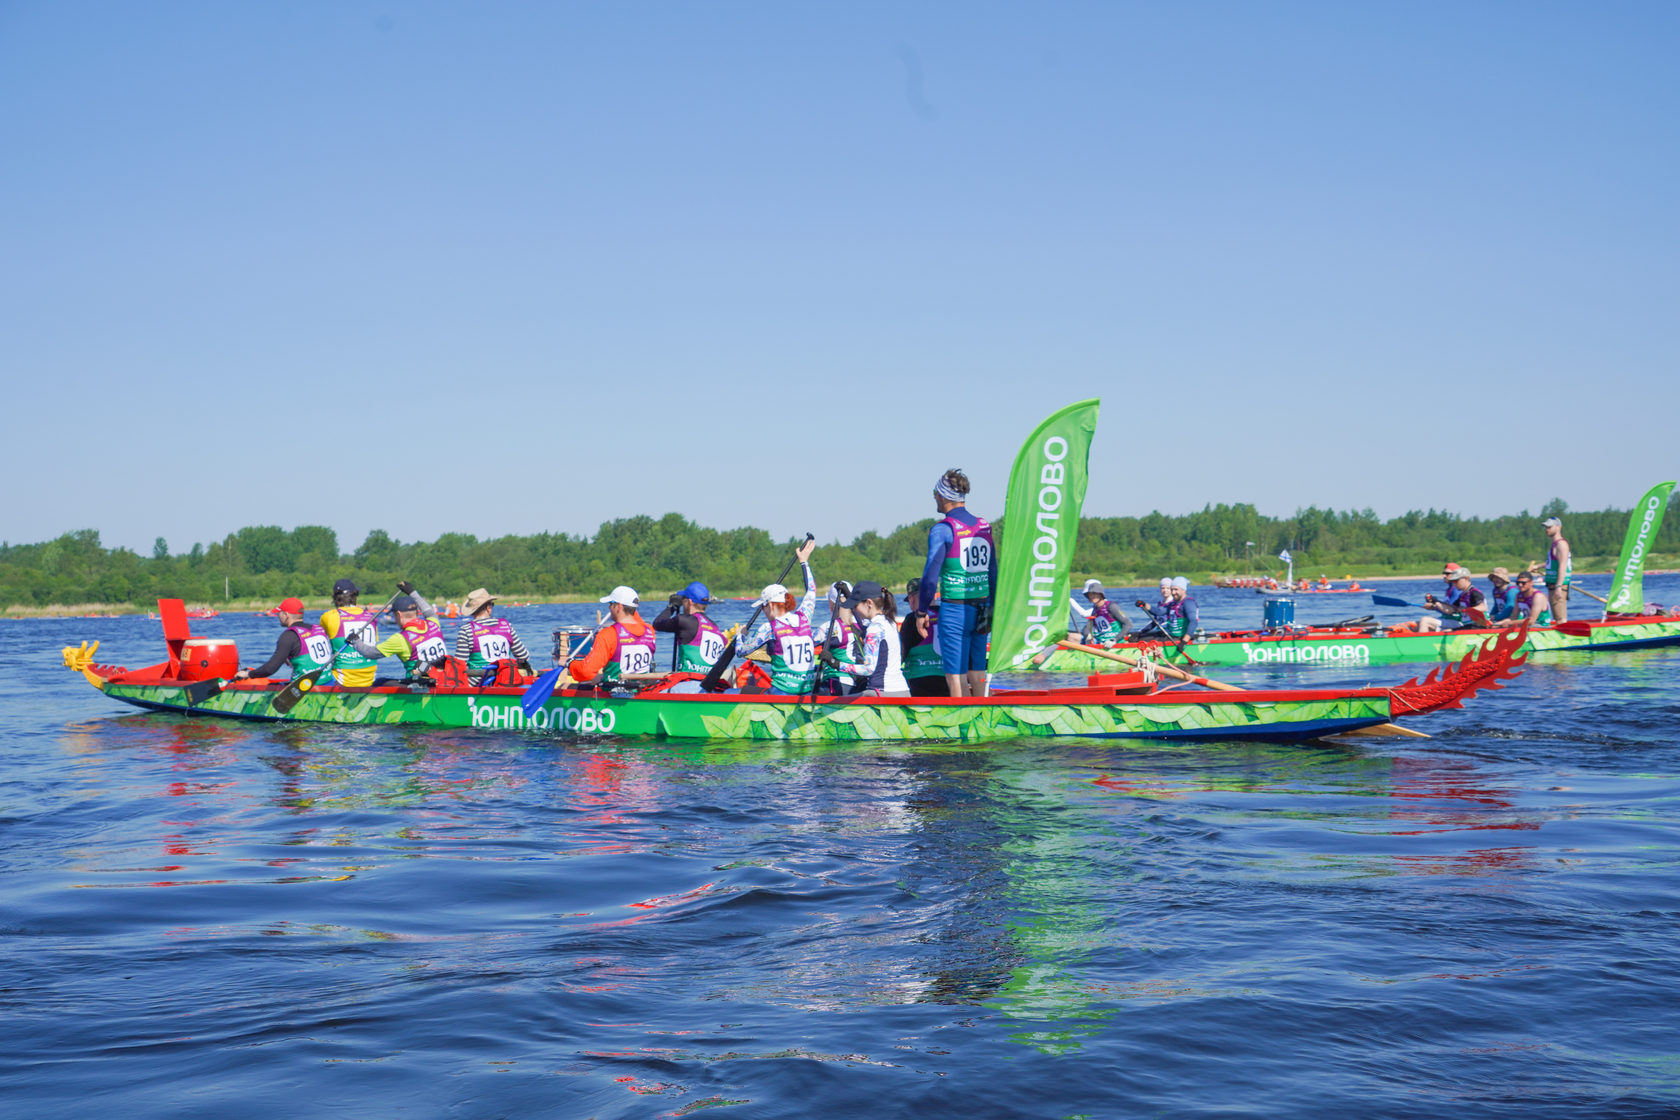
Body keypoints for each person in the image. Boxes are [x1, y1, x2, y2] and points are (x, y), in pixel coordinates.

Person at [917, 468, 995, 698]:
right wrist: (992, 607)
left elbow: (930, 577)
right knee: (978, 671)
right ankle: (981, 717)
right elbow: (993, 571)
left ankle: (962, 726)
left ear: (942, 496)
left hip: (955, 609)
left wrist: (922, 611)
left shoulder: (942, 530)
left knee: (956, 675)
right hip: (983, 607)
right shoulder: (983, 525)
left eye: (935, 494)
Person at [735, 539, 819, 693]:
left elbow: (741, 651)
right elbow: (812, 591)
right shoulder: (804, 617)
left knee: (737, 691)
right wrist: (804, 562)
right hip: (806, 692)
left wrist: (739, 636)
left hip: (782, 693)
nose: (762, 610)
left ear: (772, 605)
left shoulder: (769, 628)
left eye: (763, 606)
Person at [566, 586, 658, 685]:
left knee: (567, 686)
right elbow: (635, 618)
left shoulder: (608, 634)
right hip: (641, 689)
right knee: (598, 678)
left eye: (610, 604)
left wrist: (570, 663)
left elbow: (585, 672)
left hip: (614, 692)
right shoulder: (650, 631)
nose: (609, 608)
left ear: (618, 606)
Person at [234, 597, 334, 682]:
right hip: (327, 681)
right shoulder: (319, 628)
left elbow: (269, 669)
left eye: (279, 613)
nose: (278, 616)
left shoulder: (288, 636)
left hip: (305, 688)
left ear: (286, 615)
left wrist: (248, 674)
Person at [834, 581, 908, 695]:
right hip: (902, 691)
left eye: (855, 605)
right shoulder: (889, 622)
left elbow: (868, 669)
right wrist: (849, 595)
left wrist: (837, 664)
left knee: (838, 705)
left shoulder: (874, 628)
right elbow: (864, 626)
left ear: (869, 603)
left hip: (882, 693)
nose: (854, 610)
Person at [455, 587, 534, 680]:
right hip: (505, 680)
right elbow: (524, 656)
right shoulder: (506, 625)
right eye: (492, 605)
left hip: (478, 683)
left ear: (472, 611)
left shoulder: (466, 630)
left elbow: (458, 665)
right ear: (488, 608)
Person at [652, 580, 729, 673]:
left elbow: (657, 624)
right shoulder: (715, 627)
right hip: (707, 682)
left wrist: (672, 606)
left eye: (683, 600)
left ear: (689, 602)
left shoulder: (683, 621)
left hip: (688, 681)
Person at [320, 578, 385, 686]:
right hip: (369, 679)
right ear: (354, 596)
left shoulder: (328, 617)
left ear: (335, 598)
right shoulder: (371, 617)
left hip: (343, 681)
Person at [900, 578, 948, 697]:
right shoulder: (948, 614)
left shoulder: (912, 619)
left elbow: (901, 654)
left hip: (919, 681)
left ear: (912, 598)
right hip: (949, 680)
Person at [817, 581, 862, 696]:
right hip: (857, 682)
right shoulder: (861, 623)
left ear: (831, 604)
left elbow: (805, 643)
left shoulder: (828, 627)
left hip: (835, 680)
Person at [1419, 565, 1486, 632]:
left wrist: (1466, 610)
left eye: (1456, 581)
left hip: (1478, 626)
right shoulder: (1462, 596)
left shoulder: (1474, 592)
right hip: (1468, 626)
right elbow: (1451, 610)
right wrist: (1436, 602)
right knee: (1444, 631)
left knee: (1446, 631)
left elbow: (1483, 607)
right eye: (1453, 581)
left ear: (1466, 579)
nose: (1454, 584)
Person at [1070, 579, 1130, 646]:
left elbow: (1128, 624)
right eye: (1090, 595)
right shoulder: (1095, 610)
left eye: (1095, 594)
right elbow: (1087, 628)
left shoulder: (1111, 607)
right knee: (1072, 637)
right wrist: (1088, 635)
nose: (1092, 597)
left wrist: (1114, 640)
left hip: (1114, 643)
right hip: (1101, 641)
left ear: (1101, 595)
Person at [1539, 516, 1571, 624]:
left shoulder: (1561, 544)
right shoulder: (1555, 544)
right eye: (1545, 527)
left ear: (1558, 527)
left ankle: (1564, 637)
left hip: (1558, 586)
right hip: (1552, 585)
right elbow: (1552, 562)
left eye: (1549, 527)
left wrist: (1558, 586)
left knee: (1560, 617)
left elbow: (1563, 565)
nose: (1546, 529)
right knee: (1557, 617)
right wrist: (1538, 567)